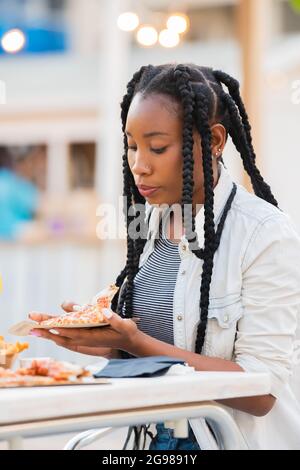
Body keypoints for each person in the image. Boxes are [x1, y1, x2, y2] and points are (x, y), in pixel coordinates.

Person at [29, 64, 300, 450]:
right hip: (149, 439)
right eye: (132, 145)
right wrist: (103, 340)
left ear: (215, 141)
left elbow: (260, 392)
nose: (139, 164)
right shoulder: (152, 220)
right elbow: (157, 339)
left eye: (157, 147)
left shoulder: (264, 234)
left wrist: (138, 344)